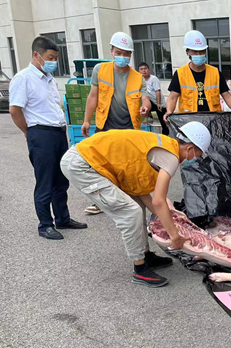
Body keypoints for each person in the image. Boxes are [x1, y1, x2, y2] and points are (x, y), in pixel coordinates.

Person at [60, 123, 211, 287]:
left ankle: (146, 256)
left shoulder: (166, 146)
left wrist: (170, 218)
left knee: (138, 207)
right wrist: (174, 236)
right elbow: (159, 201)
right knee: (130, 212)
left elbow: (141, 193)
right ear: (190, 148)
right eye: (198, 154)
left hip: (88, 160)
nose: (196, 158)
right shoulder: (171, 158)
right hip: (82, 165)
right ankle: (140, 269)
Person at [9, 36, 87, 240]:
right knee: (45, 181)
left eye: (56, 58)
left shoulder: (49, 78)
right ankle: (45, 224)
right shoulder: (24, 78)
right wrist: (28, 131)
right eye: (50, 57)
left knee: (61, 180)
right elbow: (15, 110)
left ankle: (62, 218)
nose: (54, 62)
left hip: (58, 133)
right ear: (37, 55)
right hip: (41, 134)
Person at [82, 31, 152, 215]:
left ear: (130, 55)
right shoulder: (100, 70)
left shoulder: (137, 77)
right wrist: (86, 120)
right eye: (118, 52)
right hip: (105, 125)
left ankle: (129, 199)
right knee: (100, 165)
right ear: (111, 51)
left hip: (129, 128)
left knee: (128, 165)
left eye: (126, 53)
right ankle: (101, 202)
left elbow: (146, 98)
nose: (122, 57)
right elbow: (93, 96)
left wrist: (145, 107)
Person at [165, 30, 231, 119]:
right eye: (195, 51)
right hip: (190, 120)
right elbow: (172, 98)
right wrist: (169, 112)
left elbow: (227, 96)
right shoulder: (180, 74)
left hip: (213, 120)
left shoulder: (215, 73)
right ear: (188, 52)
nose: (199, 54)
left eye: (201, 51)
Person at [139, 62, 169, 135]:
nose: (144, 71)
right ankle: (148, 115)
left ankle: (166, 135)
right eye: (141, 69)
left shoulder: (153, 79)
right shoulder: (139, 80)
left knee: (163, 122)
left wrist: (158, 103)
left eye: (145, 69)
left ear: (149, 70)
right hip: (149, 102)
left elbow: (158, 91)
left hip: (158, 102)